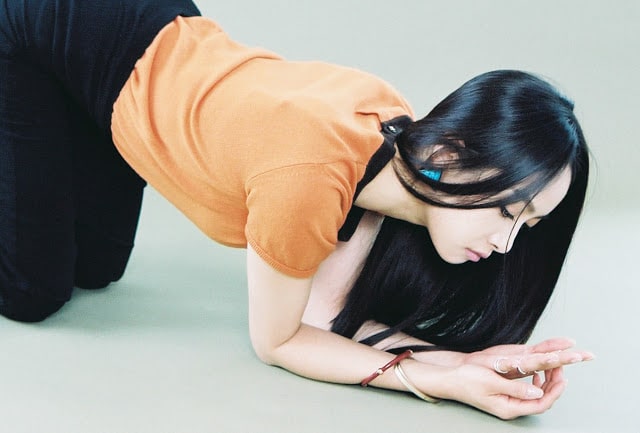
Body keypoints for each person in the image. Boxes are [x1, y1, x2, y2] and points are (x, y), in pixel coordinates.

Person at [0, 0, 593, 420]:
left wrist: (464, 365)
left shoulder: (395, 156)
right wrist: (429, 382)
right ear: (448, 155)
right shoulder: (308, 181)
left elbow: (324, 314)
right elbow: (280, 341)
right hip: (44, 23)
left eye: (528, 225)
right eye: (507, 211)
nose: (507, 243)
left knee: (96, 269)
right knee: (32, 294)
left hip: (135, 49)